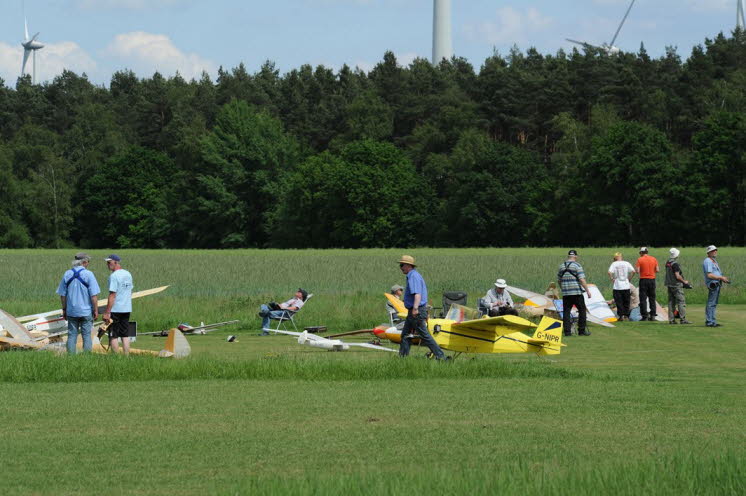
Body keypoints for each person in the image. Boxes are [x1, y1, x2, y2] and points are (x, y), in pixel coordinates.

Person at [397, 255, 446, 360]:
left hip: (416, 311)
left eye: (402, 265)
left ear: (408, 265)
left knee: (424, 335)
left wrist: (415, 308)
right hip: (413, 311)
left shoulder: (413, 276)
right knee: (405, 335)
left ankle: (441, 357)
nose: (400, 267)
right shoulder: (413, 275)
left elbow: (417, 294)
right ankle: (402, 359)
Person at [55, 252, 100, 354]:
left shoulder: (67, 274)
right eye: (88, 262)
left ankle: (71, 357)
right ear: (84, 262)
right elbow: (94, 296)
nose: (88, 264)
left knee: (71, 335)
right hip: (86, 311)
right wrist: (96, 310)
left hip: (71, 311)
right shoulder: (89, 274)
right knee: (86, 335)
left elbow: (62, 295)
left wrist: (64, 309)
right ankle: (86, 357)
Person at [103, 254, 134, 355]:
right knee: (125, 334)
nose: (107, 265)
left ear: (116, 262)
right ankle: (126, 357)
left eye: (109, 262)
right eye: (107, 263)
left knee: (113, 335)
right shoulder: (128, 274)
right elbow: (130, 290)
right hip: (127, 308)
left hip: (116, 310)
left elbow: (112, 295)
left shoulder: (114, 276)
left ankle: (115, 358)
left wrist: (107, 312)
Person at [557, 250, 592, 337]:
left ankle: (567, 332)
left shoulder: (561, 266)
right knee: (582, 310)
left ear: (568, 256)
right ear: (575, 256)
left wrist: (563, 288)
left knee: (566, 312)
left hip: (566, 293)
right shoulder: (577, 265)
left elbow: (559, 280)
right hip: (576, 292)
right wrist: (587, 290)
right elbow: (582, 279)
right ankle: (581, 331)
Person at [703, 245, 730, 327]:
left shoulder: (713, 260)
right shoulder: (708, 261)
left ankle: (712, 321)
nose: (715, 251)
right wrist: (721, 277)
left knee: (713, 303)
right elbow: (709, 275)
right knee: (711, 303)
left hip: (717, 283)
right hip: (713, 284)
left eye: (716, 250)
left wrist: (722, 279)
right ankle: (709, 321)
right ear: (709, 252)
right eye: (713, 250)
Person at [665, 248, 691, 325]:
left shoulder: (668, 263)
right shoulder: (675, 264)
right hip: (676, 285)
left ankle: (671, 320)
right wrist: (684, 282)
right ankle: (682, 320)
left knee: (671, 302)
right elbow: (677, 276)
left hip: (669, 285)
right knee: (681, 302)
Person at [608, 252, 636, 321]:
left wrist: (612, 279)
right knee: (626, 301)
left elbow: (609, 272)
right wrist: (629, 278)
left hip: (617, 286)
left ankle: (621, 316)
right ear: (621, 257)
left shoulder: (614, 264)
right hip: (626, 285)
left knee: (619, 301)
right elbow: (633, 271)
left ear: (615, 258)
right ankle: (626, 316)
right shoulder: (626, 263)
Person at [635, 247, 659, 321]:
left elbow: (637, 271)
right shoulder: (654, 259)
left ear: (641, 253)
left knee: (643, 299)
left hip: (643, 280)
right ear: (647, 252)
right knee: (652, 298)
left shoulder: (640, 259)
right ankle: (653, 315)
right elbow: (657, 270)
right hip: (652, 280)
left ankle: (644, 316)